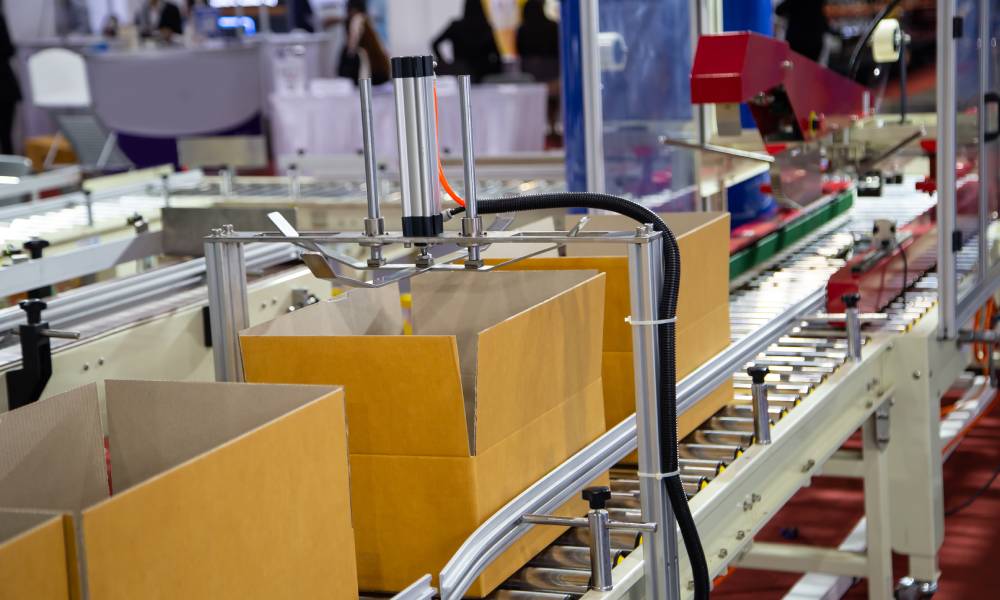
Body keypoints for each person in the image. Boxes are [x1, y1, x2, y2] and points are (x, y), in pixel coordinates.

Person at [516, 0, 560, 139]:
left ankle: (536, 129)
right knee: (552, 97)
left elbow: (519, 51)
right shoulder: (553, 27)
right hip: (552, 73)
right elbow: (558, 50)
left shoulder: (522, 29)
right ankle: (552, 125)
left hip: (531, 75)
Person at [432, 0, 502, 83]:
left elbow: (435, 43)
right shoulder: (486, 27)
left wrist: (443, 62)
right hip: (482, 74)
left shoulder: (456, 26)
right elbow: (497, 54)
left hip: (460, 72)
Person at [336, 0, 391, 86]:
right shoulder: (366, 20)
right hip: (379, 72)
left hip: (376, 74)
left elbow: (351, 47)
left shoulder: (358, 19)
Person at [0, 0, 20, 155]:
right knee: (6, 135)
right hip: (5, 85)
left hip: (5, 87)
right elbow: (9, 49)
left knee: (6, 135)